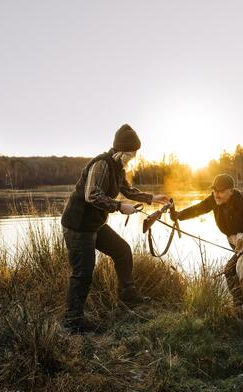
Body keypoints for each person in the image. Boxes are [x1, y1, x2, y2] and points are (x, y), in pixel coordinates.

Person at [61, 124, 169, 332]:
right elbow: (91, 195)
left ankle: (127, 294)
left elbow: (127, 190)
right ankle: (72, 322)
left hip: (94, 224)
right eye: (132, 153)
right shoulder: (102, 164)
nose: (134, 157)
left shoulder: (118, 167)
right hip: (78, 226)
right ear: (121, 151)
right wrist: (119, 207)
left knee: (122, 250)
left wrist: (151, 198)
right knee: (82, 273)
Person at [171, 173, 243, 306]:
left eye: (221, 191)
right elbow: (199, 208)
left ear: (231, 191)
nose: (217, 194)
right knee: (237, 272)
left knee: (231, 270)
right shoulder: (214, 199)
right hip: (236, 244)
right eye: (214, 190)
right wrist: (179, 215)